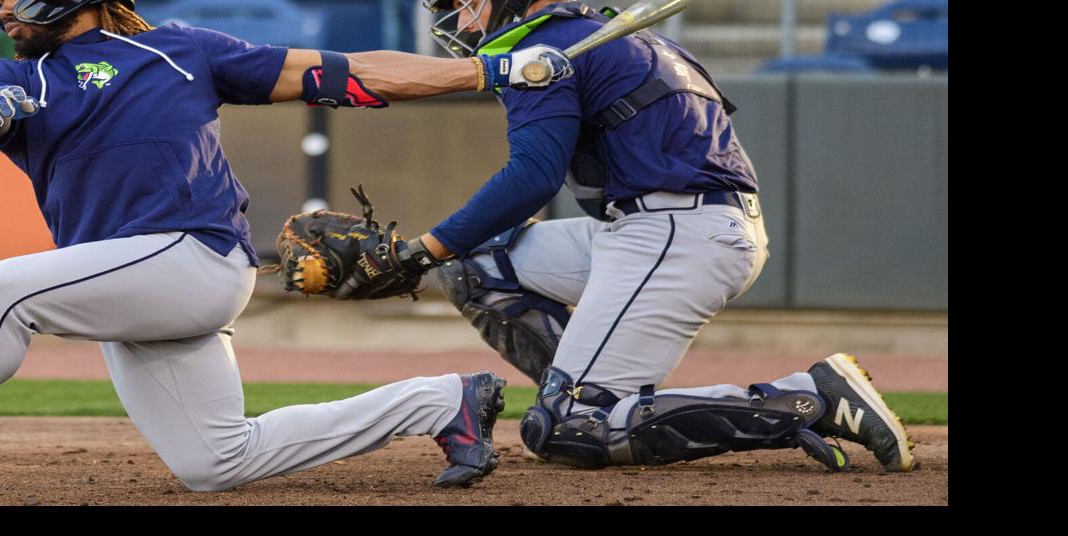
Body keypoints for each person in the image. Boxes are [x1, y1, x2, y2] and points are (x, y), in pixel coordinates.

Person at [0, 0, 574, 497]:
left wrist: (489, 70)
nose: (3, 10)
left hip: (190, 258)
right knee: (214, 463)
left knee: (5, 287)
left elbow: (358, 71)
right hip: (131, 285)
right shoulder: (5, 74)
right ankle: (441, 403)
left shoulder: (183, 50)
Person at [389, 0, 915, 472]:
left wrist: (421, 251)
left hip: (677, 231)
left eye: (463, 3)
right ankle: (581, 396)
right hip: (660, 226)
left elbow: (533, 177)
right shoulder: (606, 34)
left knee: (569, 431)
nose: (457, 18)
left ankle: (808, 398)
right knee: (481, 264)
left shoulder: (545, 45)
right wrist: (442, 251)